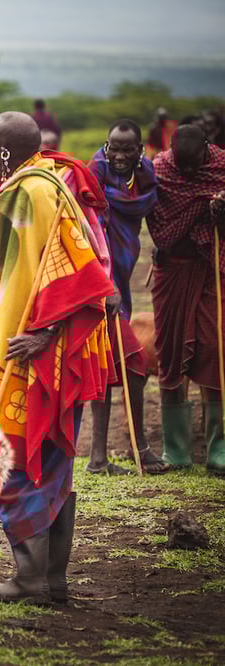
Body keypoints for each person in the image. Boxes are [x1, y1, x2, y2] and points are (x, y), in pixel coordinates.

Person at [0, 112, 114, 602]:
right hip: (43, 349)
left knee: (16, 458)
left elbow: (82, 276)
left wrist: (41, 333)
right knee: (50, 456)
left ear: (8, 153)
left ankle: (32, 579)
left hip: (35, 352)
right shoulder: (46, 183)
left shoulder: (30, 192)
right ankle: (51, 580)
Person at [87, 119, 170, 475]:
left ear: (140, 150)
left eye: (126, 149)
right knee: (129, 363)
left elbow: (157, 215)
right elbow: (87, 228)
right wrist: (103, 285)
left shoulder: (147, 177)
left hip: (124, 269)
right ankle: (119, 453)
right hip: (101, 282)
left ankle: (107, 456)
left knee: (113, 366)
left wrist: (165, 247)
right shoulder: (94, 175)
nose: (118, 155)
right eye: (113, 148)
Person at [149, 124, 225, 476]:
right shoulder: (162, 170)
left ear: (207, 150)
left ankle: (218, 450)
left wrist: (219, 217)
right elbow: (162, 235)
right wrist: (199, 208)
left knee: (215, 350)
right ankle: (176, 451)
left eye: (195, 166)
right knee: (171, 353)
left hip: (212, 270)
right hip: (173, 270)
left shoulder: (222, 167)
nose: (190, 174)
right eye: (184, 168)